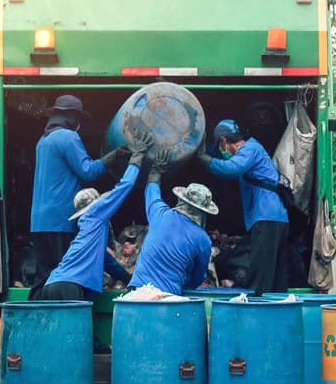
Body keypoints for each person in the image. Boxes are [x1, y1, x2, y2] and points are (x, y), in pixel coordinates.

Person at [33, 126, 153, 301]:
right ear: (97, 204)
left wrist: (131, 281)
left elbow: (109, 264)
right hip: (70, 286)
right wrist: (137, 157)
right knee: (75, 329)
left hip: (53, 284)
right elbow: (124, 186)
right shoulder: (96, 215)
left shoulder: (89, 233)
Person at [27, 94, 125, 290]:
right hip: (61, 221)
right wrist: (115, 155)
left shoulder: (43, 141)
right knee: (66, 279)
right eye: (78, 119)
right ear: (72, 117)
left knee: (43, 279)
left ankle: (38, 317)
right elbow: (88, 171)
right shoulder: (68, 137)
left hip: (38, 222)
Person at [195, 119, 288, 295]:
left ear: (223, 140)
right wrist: (196, 147)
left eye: (220, 145)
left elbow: (230, 168)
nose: (221, 151)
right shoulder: (247, 150)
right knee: (270, 274)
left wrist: (203, 158)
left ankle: (258, 312)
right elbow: (216, 154)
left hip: (267, 217)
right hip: (271, 218)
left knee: (261, 276)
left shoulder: (250, 149)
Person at [128, 151, 217, 295]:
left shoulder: (160, 214)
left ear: (181, 200)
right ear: (203, 212)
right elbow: (197, 278)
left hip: (137, 291)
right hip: (167, 297)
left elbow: (151, 189)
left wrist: (156, 169)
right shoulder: (203, 240)